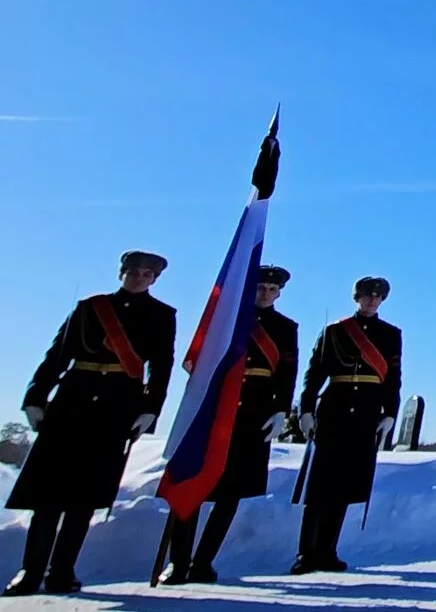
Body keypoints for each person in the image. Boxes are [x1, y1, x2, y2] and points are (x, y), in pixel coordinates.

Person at [4, 251, 176, 597]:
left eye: (146, 274)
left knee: (84, 498)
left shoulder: (161, 315)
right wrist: (36, 396)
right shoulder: (89, 308)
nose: (138, 278)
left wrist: (149, 409)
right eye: (132, 272)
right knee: (48, 496)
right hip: (72, 403)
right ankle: (30, 570)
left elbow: (161, 366)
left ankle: (62, 571)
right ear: (121, 273)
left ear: (154, 279)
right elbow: (57, 354)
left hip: (115, 409)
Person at [162, 265, 300, 584]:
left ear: (279, 293)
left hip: (254, 414)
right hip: (216, 409)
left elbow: (287, 372)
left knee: (231, 492)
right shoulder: (227, 320)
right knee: (192, 485)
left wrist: (281, 409)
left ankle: (203, 562)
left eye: (271, 290)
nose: (264, 294)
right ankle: (178, 562)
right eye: (260, 288)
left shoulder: (285, 327)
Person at [292, 276, 402, 573]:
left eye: (377, 297)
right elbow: (313, 374)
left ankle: (327, 550)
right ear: (357, 298)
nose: (372, 301)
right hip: (334, 410)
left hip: (365, 415)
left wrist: (390, 412)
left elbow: (392, 379)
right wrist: (306, 409)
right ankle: (306, 552)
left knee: (342, 487)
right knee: (319, 487)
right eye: (367, 296)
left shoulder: (391, 334)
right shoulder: (335, 331)